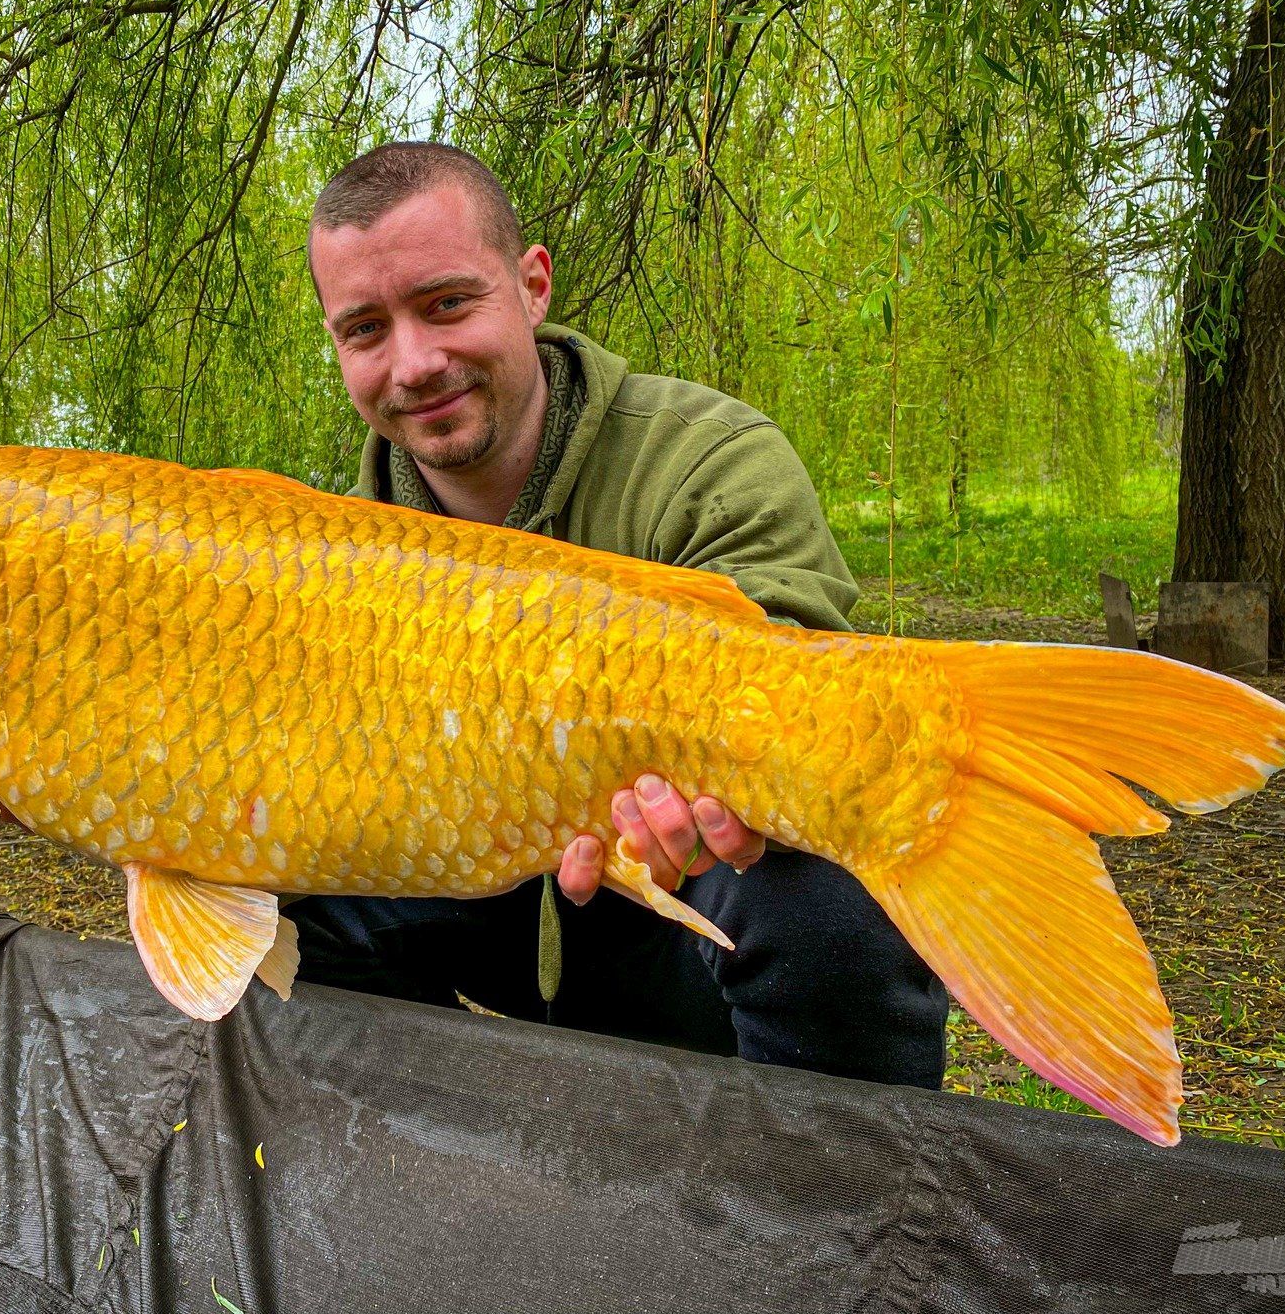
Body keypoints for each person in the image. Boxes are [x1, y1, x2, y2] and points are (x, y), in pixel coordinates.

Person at [293, 141, 948, 1087]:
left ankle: (844, 1201)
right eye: (365, 330)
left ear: (532, 286)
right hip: (487, 900)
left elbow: (796, 706)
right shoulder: (330, 551)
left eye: (447, 304)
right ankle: (446, 1157)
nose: (416, 363)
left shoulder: (709, 457)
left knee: (823, 887)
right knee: (264, 896)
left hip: (676, 900)